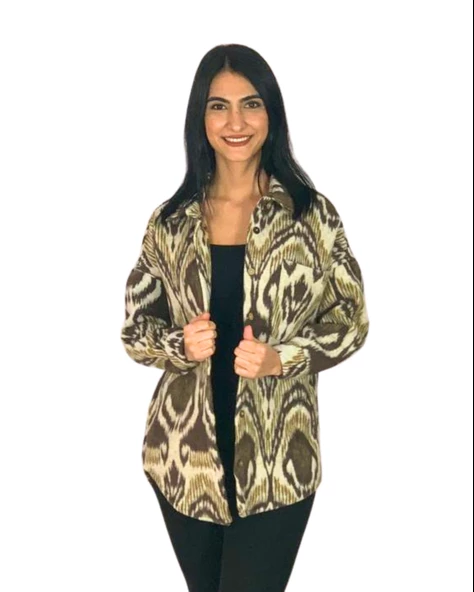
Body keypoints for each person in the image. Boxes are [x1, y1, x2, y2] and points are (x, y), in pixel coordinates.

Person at [121, 43, 370, 592]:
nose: (236, 122)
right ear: (200, 118)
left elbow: (351, 319)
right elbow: (136, 331)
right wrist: (180, 344)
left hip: (278, 460)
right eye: (219, 106)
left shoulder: (311, 216)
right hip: (185, 461)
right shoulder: (170, 222)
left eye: (250, 104)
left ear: (271, 113)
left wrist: (283, 358)